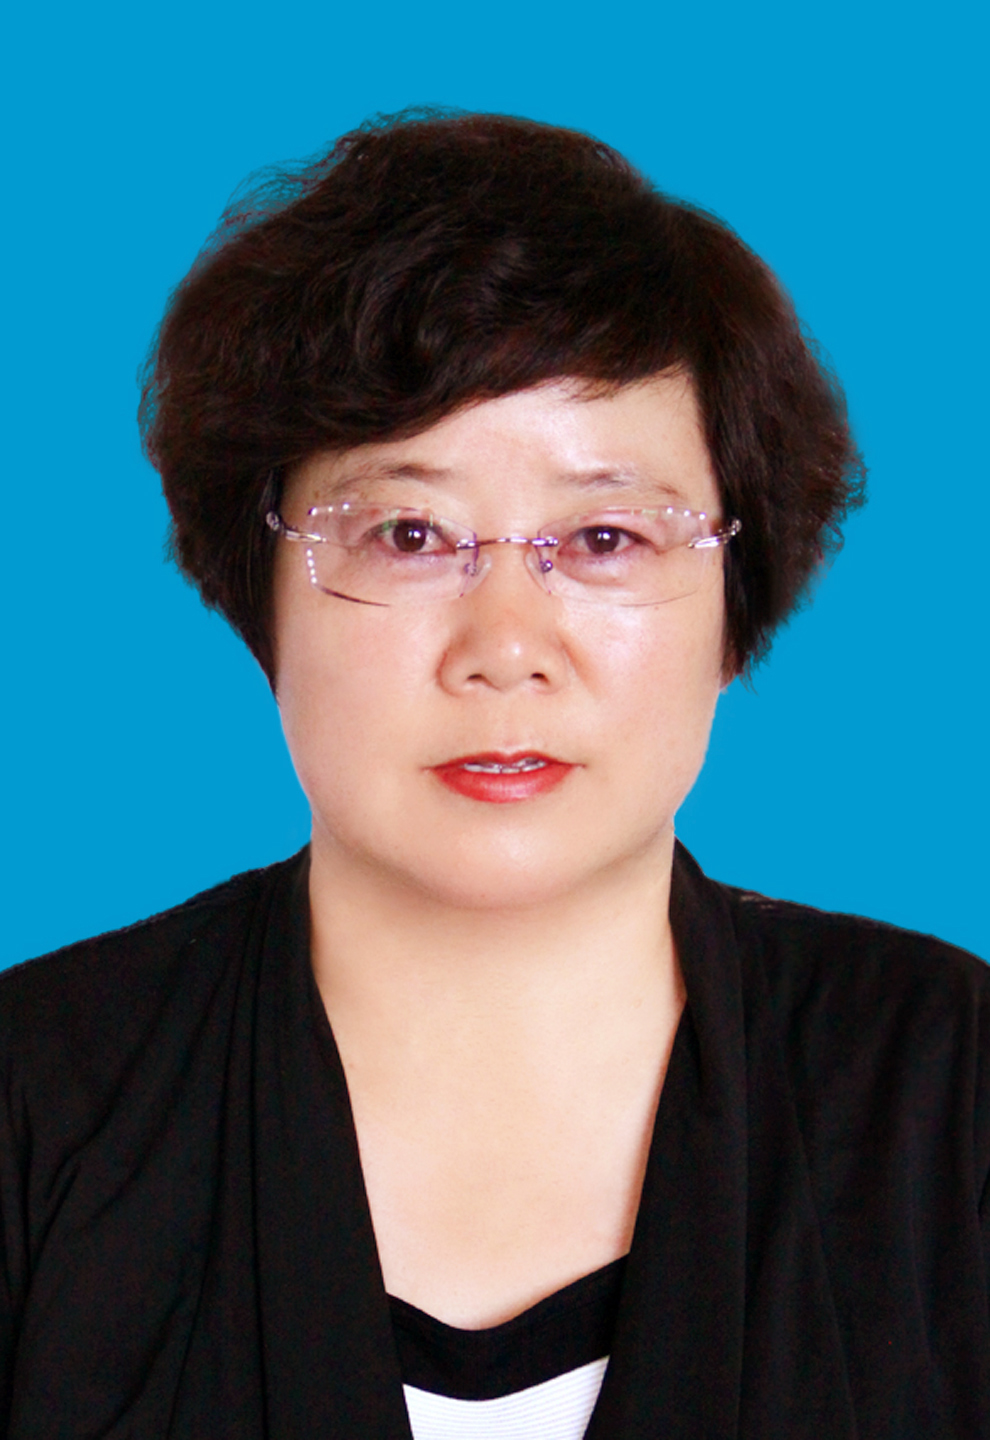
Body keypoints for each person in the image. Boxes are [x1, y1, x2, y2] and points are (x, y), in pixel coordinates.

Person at [1, 110, 987, 1440]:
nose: (506, 647)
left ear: (734, 609)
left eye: (604, 538)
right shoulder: (37, 1104)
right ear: (260, 594)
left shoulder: (947, 1095)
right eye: (409, 534)